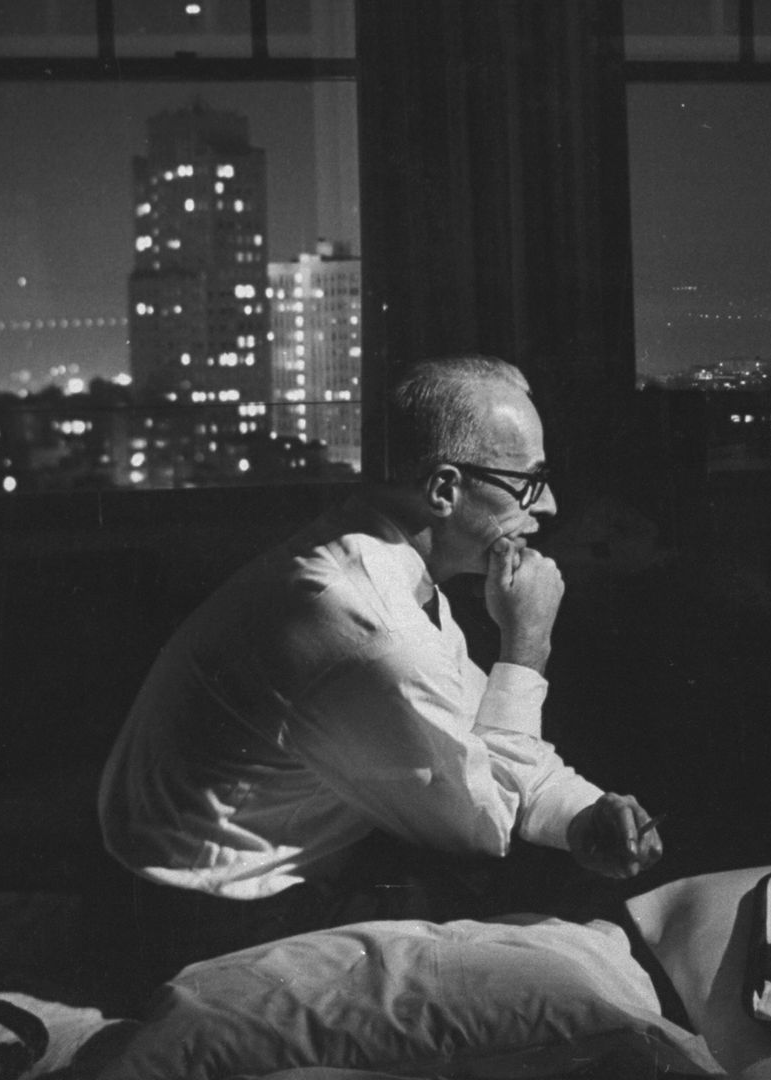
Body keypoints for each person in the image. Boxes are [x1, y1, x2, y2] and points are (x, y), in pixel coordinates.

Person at [97, 355, 662, 979]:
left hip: (260, 870)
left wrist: (581, 811)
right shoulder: (374, 627)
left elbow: (482, 733)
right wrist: (526, 644)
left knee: (576, 911)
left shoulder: (379, 560)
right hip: (207, 921)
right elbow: (486, 823)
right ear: (444, 489)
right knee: (564, 937)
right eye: (528, 482)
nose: (549, 505)